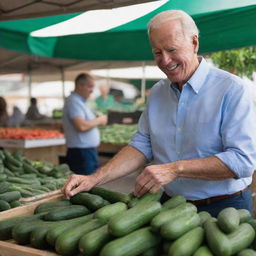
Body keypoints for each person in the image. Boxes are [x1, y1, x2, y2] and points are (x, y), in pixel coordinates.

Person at [62, 10, 256, 217]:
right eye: (157, 53)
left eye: (172, 49)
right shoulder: (157, 92)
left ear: (194, 43)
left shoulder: (231, 89)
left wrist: (174, 169)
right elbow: (141, 145)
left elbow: (242, 161)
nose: (165, 60)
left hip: (224, 209)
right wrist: (94, 179)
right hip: (171, 206)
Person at [63, 73, 108, 175]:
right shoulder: (73, 101)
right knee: (85, 186)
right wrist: (99, 120)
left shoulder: (79, 101)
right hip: (81, 153)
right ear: (80, 85)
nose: (92, 90)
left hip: (85, 152)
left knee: (89, 185)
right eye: (90, 86)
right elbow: (81, 126)